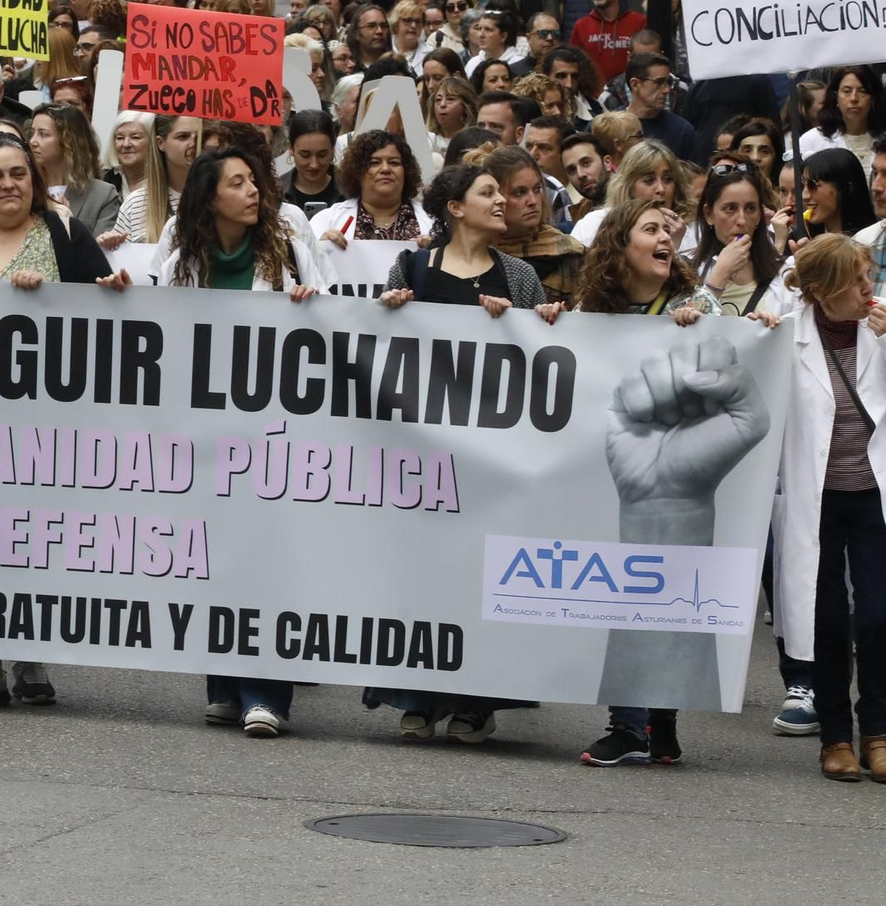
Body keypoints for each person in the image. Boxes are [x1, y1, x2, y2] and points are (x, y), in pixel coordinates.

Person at [0, 133, 129, 709]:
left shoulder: (64, 234)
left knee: (30, 541)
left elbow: (106, 308)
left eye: (19, 173)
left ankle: (29, 658)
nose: (9, 184)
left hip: (43, 427)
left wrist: (104, 291)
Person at [368, 164, 557, 742]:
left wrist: (542, 319)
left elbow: (544, 356)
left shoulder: (519, 276)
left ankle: (478, 699)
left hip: (493, 460)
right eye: (489, 193)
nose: (502, 201)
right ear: (455, 207)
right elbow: (381, 342)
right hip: (424, 458)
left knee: (486, 579)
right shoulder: (415, 268)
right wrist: (388, 307)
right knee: (424, 578)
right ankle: (418, 696)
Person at [156, 145, 325, 734]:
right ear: (210, 198)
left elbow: (332, 332)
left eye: (254, 181)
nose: (253, 190)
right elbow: (159, 324)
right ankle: (224, 684)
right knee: (215, 558)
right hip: (204, 437)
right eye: (237, 183)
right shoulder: (180, 254)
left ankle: (267, 694)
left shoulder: (294, 252)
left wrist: (309, 310)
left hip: (272, 435)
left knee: (267, 561)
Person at [567, 199, 729, 766]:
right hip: (615, 472)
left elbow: (738, 354)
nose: (666, 238)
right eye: (651, 229)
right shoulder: (590, 310)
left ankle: (647, 723)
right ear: (621, 244)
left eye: (670, 230)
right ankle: (644, 724)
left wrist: (718, 325)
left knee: (658, 593)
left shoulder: (695, 302)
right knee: (629, 591)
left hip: (673, 478)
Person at [773, 234, 886, 783]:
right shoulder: (782, 332)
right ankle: (836, 737)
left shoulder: (882, 329)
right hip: (815, 497)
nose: (869, 289)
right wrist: (703, 303)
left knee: (879, 615)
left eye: (869, 277)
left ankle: (879, 733)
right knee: (827, 618)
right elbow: (717, 346)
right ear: (820, 291)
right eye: (857, 281)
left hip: (874, 495)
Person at [480, 145, 585, 305]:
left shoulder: (569, 253)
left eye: (537, 189)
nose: (533, 201)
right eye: (519, 193)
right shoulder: (473, 254)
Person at [695, 159, 794, 317]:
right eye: (730, 209)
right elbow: (684, 334)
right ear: (708, 214)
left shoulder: (787, 271)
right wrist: (718, 277)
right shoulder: (686, 270)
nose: (741, 220)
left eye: (750, 208)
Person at [312, 130, 432, 247]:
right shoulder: (326, 220)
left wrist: (437, 249)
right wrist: (321, 249)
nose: (385, 169)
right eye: (374, 163)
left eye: (394, 163)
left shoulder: (432, 221)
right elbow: (305, 262)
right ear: (357, 172)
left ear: (406, 171)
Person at [571, 139, 694, 248]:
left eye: (668, 179)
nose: (661, 189)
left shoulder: (686, 233)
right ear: (628, 186)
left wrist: (675, 246)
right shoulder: (592, 225)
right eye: (649, 180)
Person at [27, 102, 120, 236]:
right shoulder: (26, 189)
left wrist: (67, 223)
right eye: (32, 133)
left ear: (68, 141)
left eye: (43, 134)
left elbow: (101, 253)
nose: (33, 141)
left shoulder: (103, 195)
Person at [111, 114, 200, 247]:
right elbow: (120, 261)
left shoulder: (220, 198)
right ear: (161, 143)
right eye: (183, 137)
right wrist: (109, 245)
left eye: (199, 138)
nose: (193, 144)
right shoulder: (135, 203)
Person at [572, 0, 647, 86]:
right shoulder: (581, 26)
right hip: (593, 96)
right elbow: (573, 65)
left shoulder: (639, 22)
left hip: (628, 95)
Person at [799, 65, 885, 168]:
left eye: (862, 91)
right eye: (847, 91)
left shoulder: (883, 136)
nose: (854, 98)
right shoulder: (811, 140)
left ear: (873, 98)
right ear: (836, 97)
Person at [622, 50, 700, 162]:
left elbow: (696, 177)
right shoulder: (609, 127)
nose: (666, 90)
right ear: (635, 84)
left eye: (668, 82)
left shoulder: (682, 131)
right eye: (659, 82)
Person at [281, 111, 337, 219]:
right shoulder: (275, 192)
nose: (314, 165)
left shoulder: (351, 190)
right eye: (305, 155)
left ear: (333, 149)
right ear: (291, 148)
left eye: (322, 155)